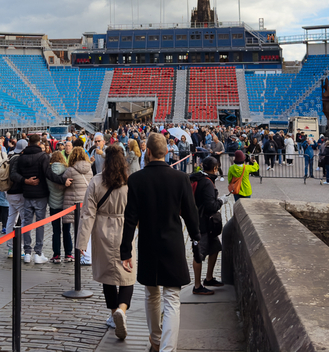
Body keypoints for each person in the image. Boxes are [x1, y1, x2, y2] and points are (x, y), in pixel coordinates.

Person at [121, 133, 200, 352]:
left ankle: (155, 340)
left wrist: (125, 249)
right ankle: (167, 348)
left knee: (151, 294)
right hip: (173, 243)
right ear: (166, 152)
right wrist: (196, 239)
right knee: (172, 298)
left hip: (147, 243)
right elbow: (191, 214)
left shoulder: (136, 179)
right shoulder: (180, 179)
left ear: (147, 152)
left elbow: (130, 219)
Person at [77, 144, 135, 341]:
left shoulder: (96, 181)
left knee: (107, 276)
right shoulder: (130, 182)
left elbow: (88, 213)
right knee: (127, 274)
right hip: (124, 229)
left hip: (102, 230)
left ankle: (113, 314)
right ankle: (122, 309)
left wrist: (82, 241)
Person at [10, 133, 71, 264]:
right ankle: (38, 252)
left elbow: (13, 174)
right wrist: (63, 180)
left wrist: (25, 180)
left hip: (27, 193)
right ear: (39, 143)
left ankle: (27, 252)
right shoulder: (42, 157)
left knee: (26, 222)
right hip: (41, 194)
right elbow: (49, 175)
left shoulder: (21, 157)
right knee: (40, 223)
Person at [190, 157, 224, 296]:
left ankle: (209, 278)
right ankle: (197, 286)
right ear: (215, 169)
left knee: (215, 247)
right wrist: (221, 201)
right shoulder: (207, 183)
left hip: (204, 221)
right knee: (199, 254)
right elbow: (211, 206)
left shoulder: (198, 178)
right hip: (203, 223)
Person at [63, 146, 93, 264]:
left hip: (74, 203)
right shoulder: (89, 169)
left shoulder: (70, 170)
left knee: (76, 229)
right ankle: (88, 254)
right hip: (86, 202)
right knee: (85, 229)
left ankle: (81, 254)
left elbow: (62, 184)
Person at [4, 139, 28, 259]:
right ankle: (21, 247)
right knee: (24, 220)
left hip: (10, 192)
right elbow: (15, 176)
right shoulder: (19, 159)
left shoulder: (11, 156)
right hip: (18, 192)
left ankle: (10, 247)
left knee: (11, 219)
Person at [47, 150, 72, 264]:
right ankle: (68, 253)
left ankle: (56, 254)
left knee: (55, 231)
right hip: (65, 203)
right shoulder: (67, 170)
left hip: (53, 203)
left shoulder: (49, 171)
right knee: (66, 230)